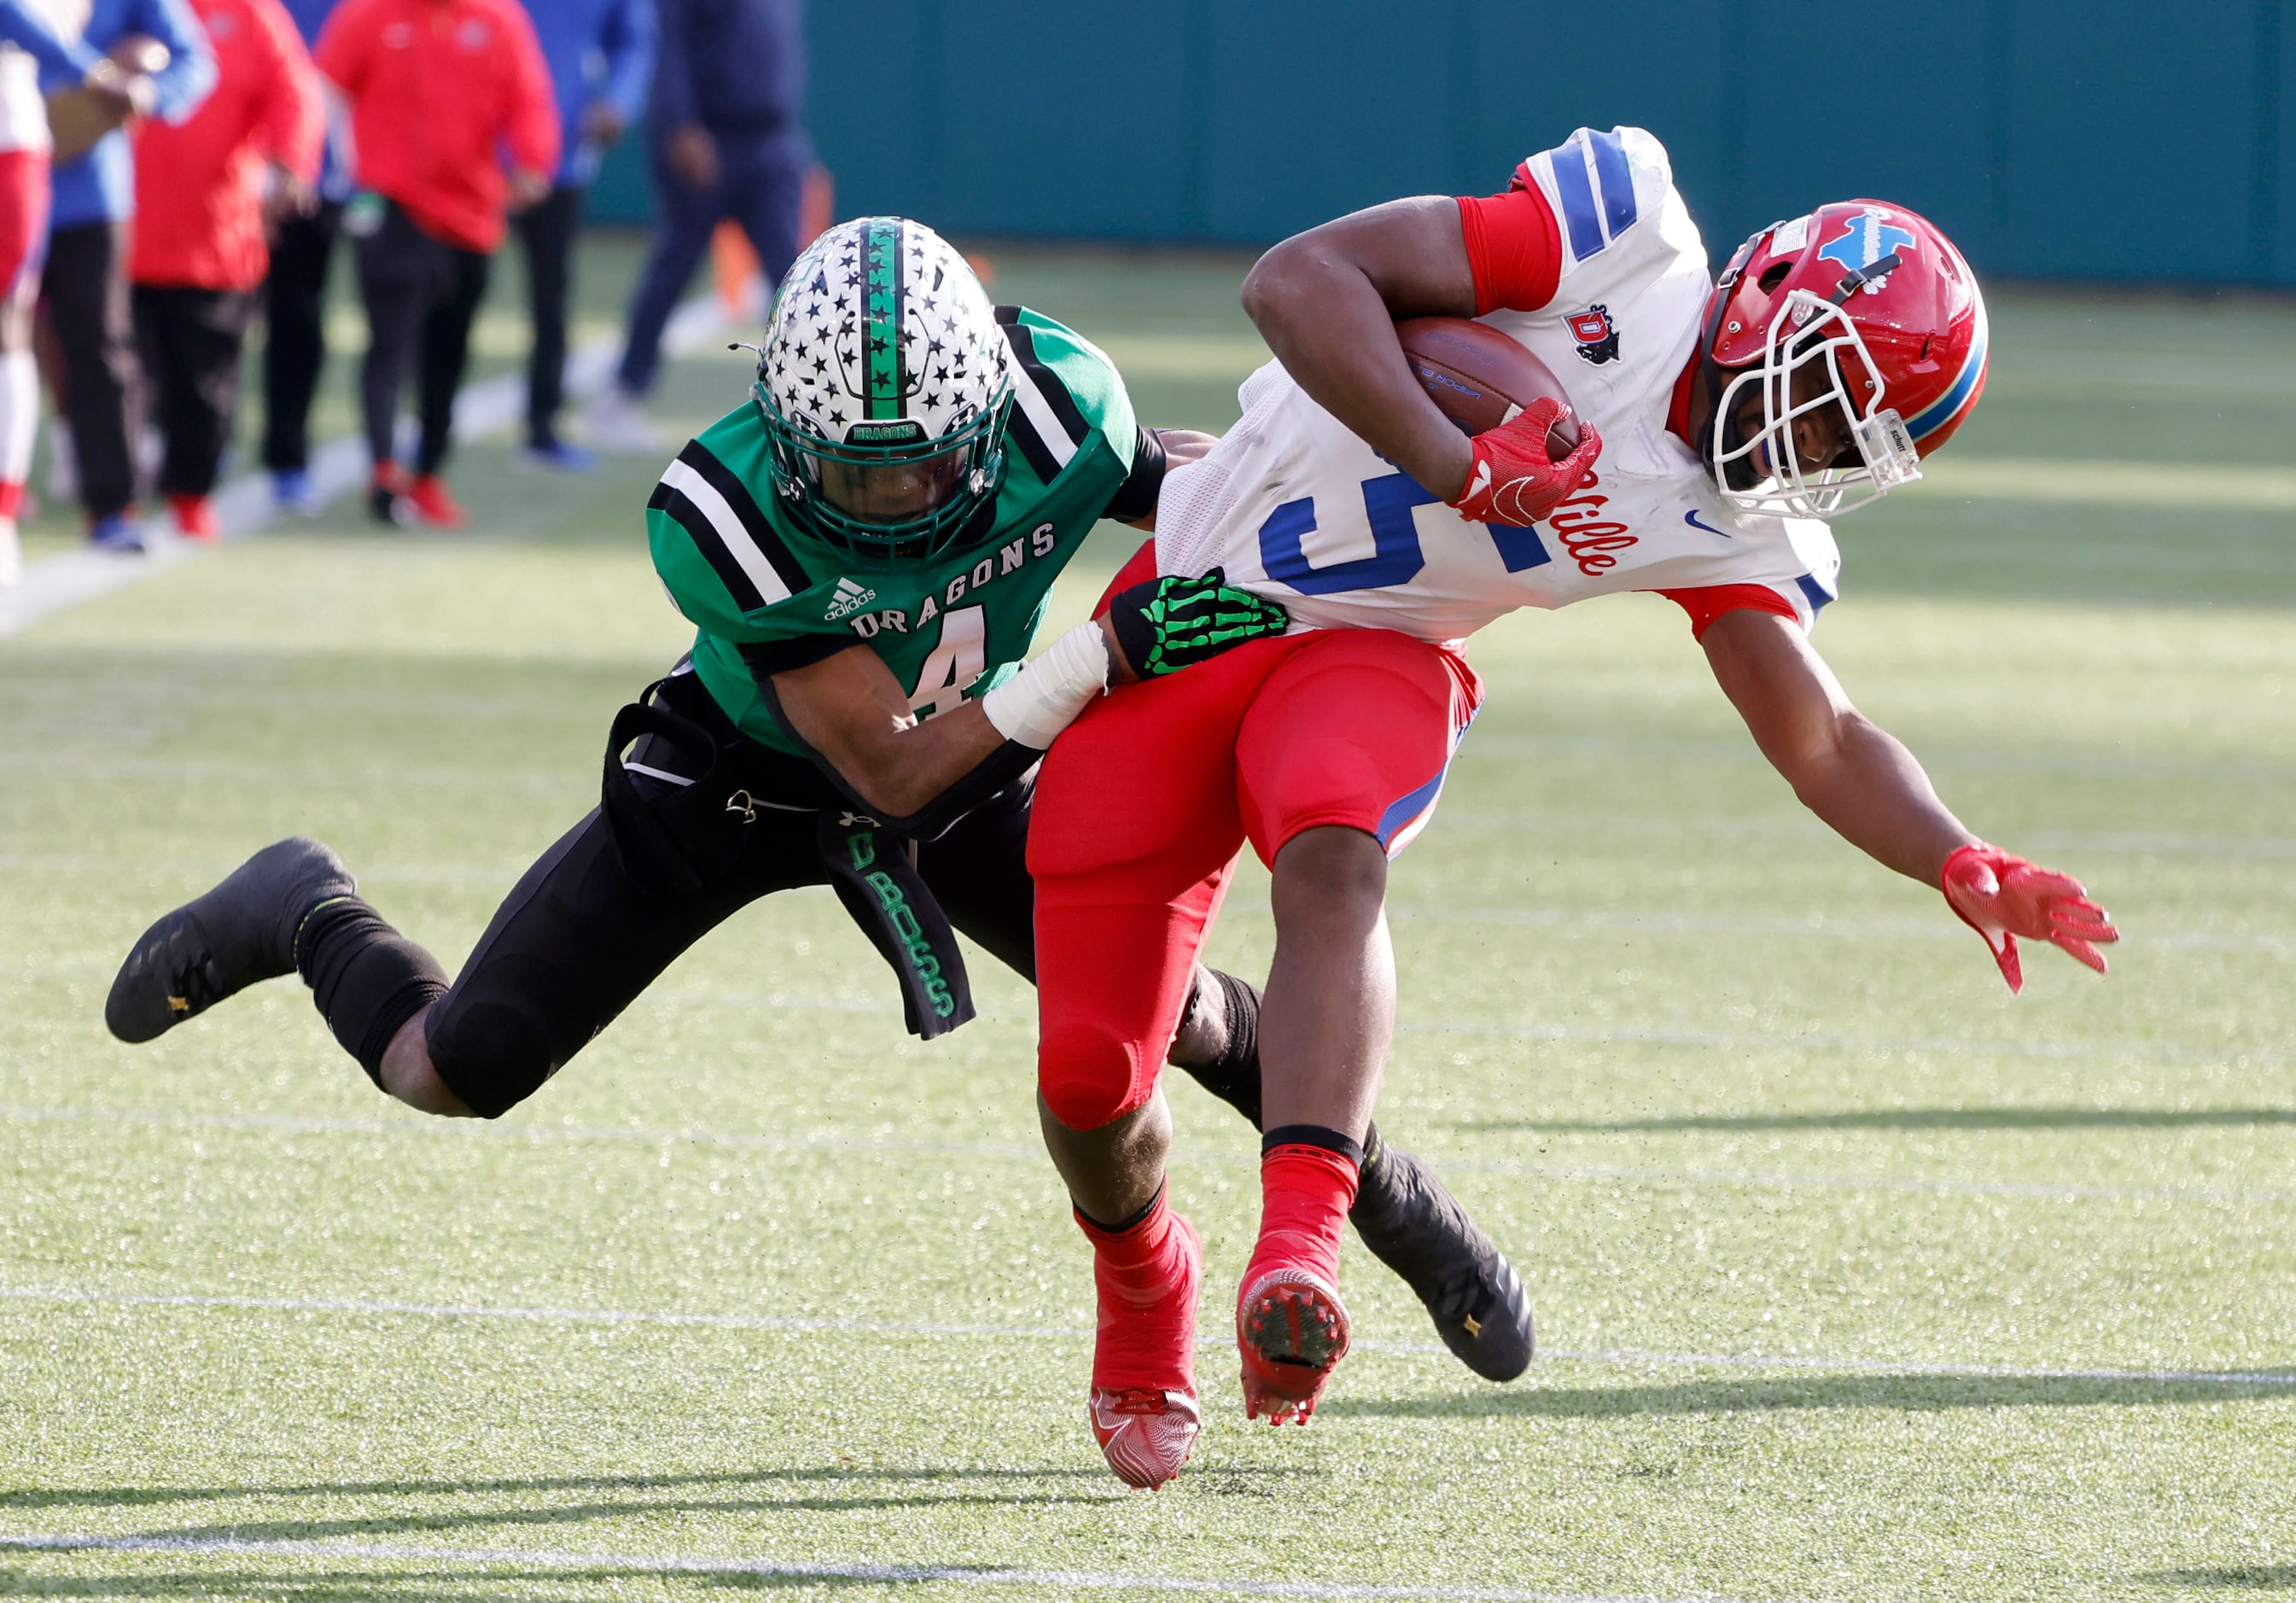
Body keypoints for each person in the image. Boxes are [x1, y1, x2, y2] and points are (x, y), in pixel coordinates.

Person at [102, 217, 1536, 1483]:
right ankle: (302, 905)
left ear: (989, 421)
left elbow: (1209, 495)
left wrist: (1404, 490)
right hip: (743, 786)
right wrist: (1104, 646)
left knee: (1177, 1019)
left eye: (924, 472)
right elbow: (892, 764)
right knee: (448, 1068)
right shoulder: (718, 516)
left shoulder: (1060, 413)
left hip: (975, 765)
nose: (893, 503)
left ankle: (1387, 1202)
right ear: (780, 429)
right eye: (853, 474)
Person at [1025, 126, 2123, 1484]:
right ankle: (1145, 1282)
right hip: (1187, 619)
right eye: (1830, 400)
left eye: (1852, 448)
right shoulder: (1619, 243)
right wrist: (1452, 459)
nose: (1812, 449)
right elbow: (1296, 282)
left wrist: (1955, 854)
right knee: (1089, 1077)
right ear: (1776, 297)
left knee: (1331, 841)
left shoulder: (1734, 522)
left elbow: (1820, 734)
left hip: (1372, 651)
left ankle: (1299, 1246)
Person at [312, 0, 556, 528]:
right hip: (391, 204)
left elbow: (528, 98)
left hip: (471, 214)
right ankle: (381, 467)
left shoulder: (496, 19)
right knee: (390, 341)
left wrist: (533, 161)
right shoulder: (367, 15)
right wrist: (345, 177)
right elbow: (322, 91)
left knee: (448, 351)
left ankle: (426, 475)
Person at [130, 0, 321, 539]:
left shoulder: (249, 12)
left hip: (215, 233)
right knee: (119, 374)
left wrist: (291, 164)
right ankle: (114, 498)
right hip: (122, 229)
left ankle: (190, 493)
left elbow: (294, 91)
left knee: (206, 383)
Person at [35, 0, 215, 555]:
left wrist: (147, 93)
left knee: (100, 343)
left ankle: (111, 504)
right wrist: (98, 70)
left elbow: (195, 60)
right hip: (13, 165)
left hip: (90, 193)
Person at [583, 0, 802, 454]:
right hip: (710, 137)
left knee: (794, 280)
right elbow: (668, 48)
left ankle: (807, 397)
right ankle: (622, 394)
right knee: (674, 267)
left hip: (772, 136)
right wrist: (680, 126)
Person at [511, 0, 653, 474]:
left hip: (560, 151)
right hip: (471, 146)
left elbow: (634, 39)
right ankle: (413, 432)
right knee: (438, 288)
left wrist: (618, 100)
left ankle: (542, 427)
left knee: (552, 297)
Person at [0, 3, 112, 583]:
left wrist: (99, 69)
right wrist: (93, 70)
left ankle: (2, 514)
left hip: (9, 141)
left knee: (8, 326)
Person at [258, 0, 347, 516]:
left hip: (323, 182)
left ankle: (288, 460)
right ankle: (188, 446)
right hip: (226, 176)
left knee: (299, 319)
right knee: (196, 320)